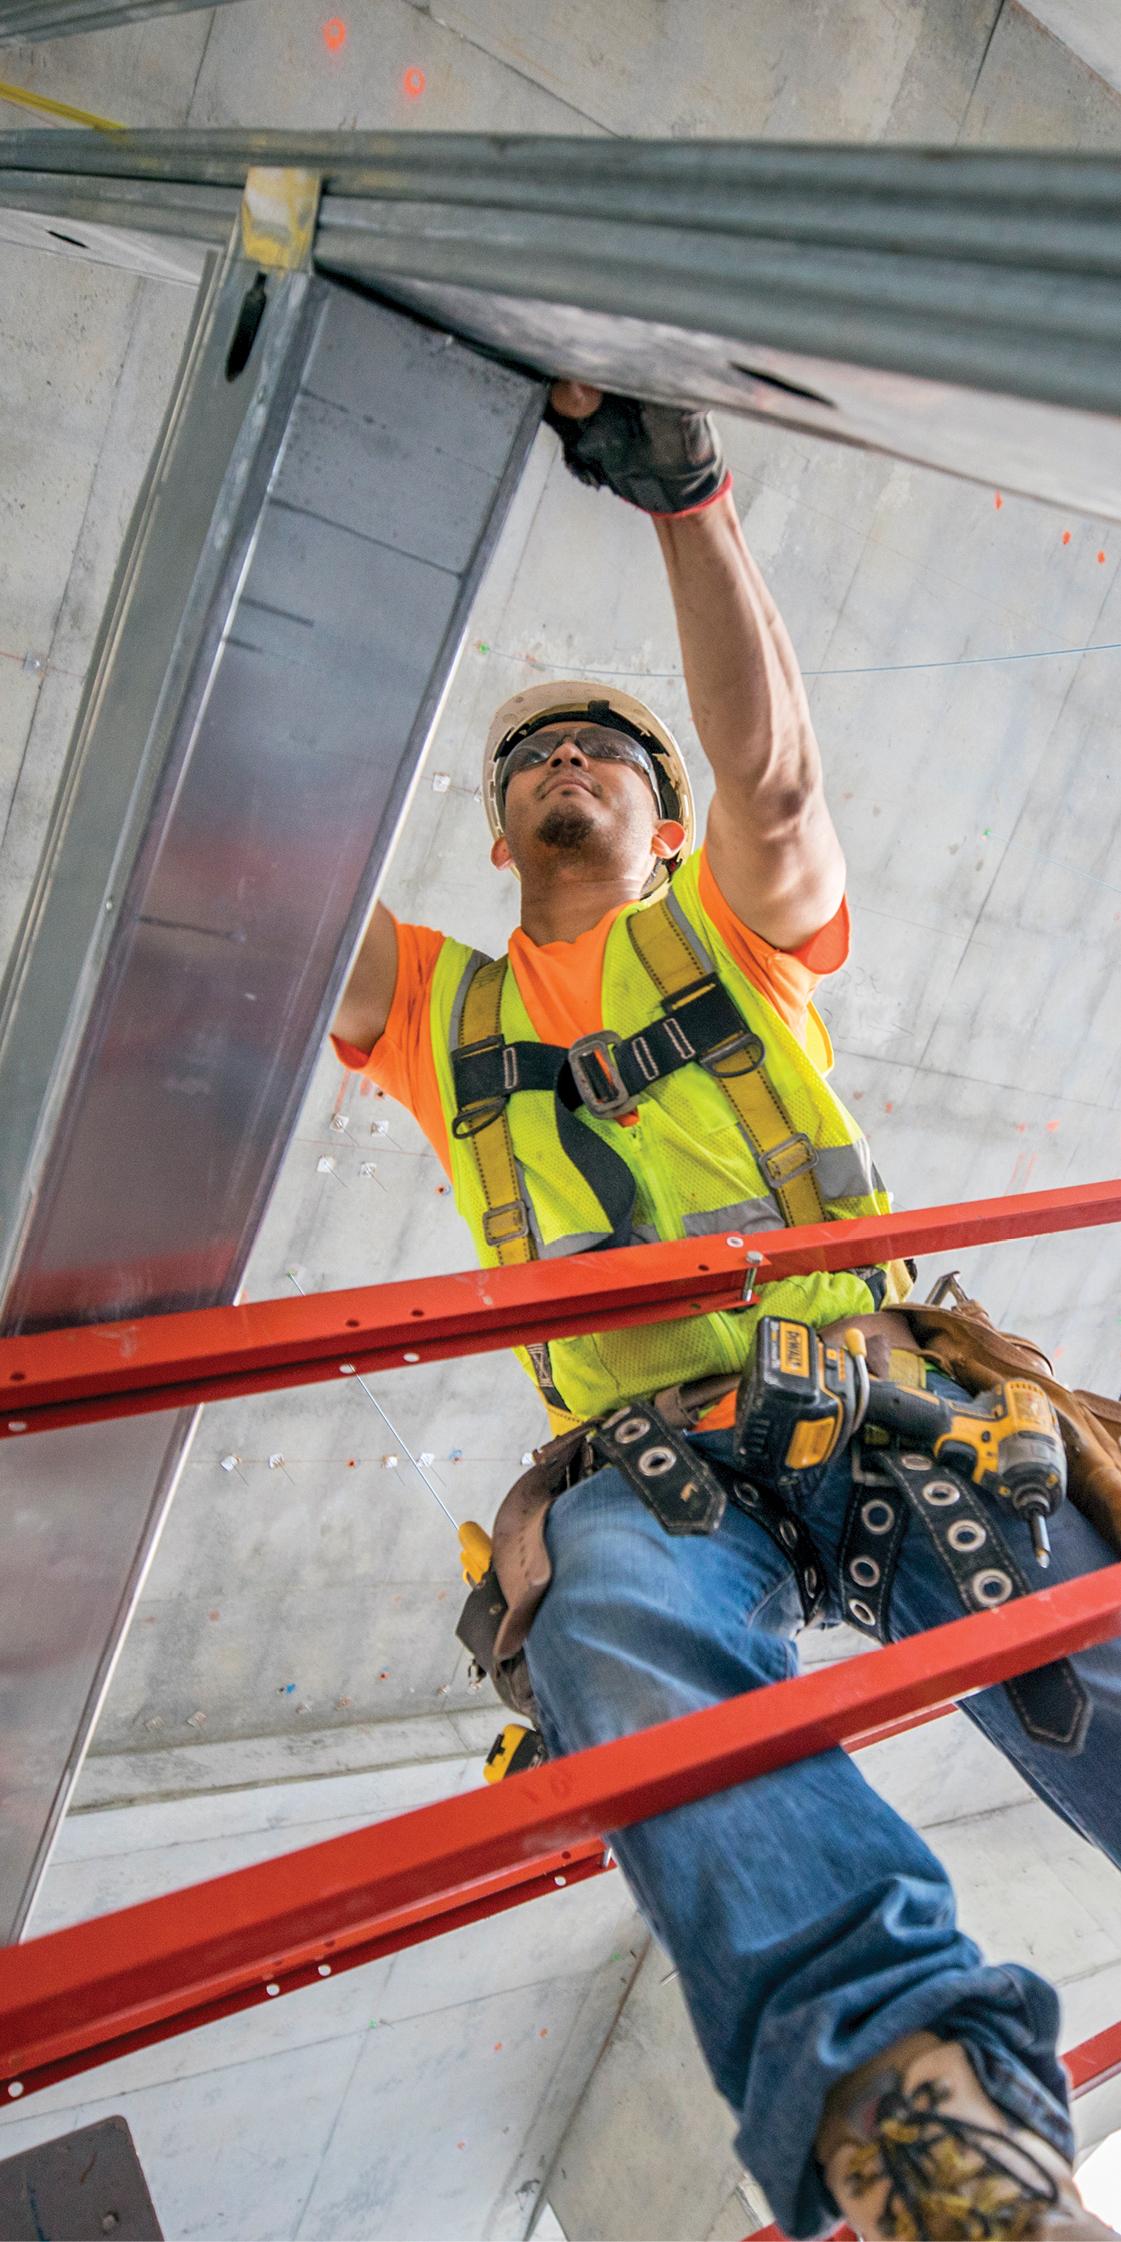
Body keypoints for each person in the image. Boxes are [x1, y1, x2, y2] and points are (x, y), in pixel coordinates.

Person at [332, 386, 1120, 2239]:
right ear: (495, 823)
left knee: (1072, 1621)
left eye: (606, 744)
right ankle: (926, 2134)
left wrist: (689, 505)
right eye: (530, 753)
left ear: (658, 815)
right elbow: (246, 877)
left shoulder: (732, 931)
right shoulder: (443, 1016)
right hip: (645, 1457)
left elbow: (775, 787)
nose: (567, 759)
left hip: (874, 1394)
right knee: (619, 1645)